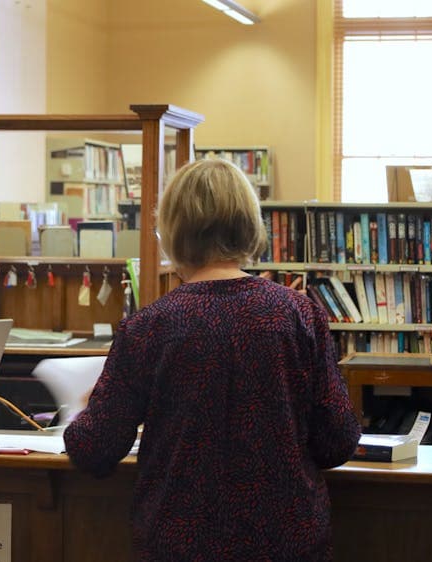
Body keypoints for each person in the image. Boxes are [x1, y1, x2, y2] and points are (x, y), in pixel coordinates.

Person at [63, 158, 361, 561]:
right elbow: (337, 440)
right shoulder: (298, 314)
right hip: (285, 541)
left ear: (172, 230)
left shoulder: (149, 327)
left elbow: (94, 448)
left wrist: (82, 412)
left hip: (182, 544)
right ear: (249, 224)